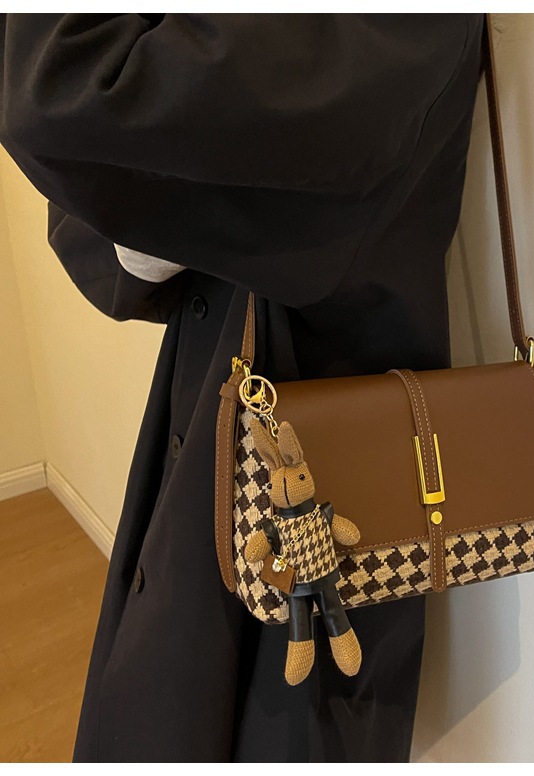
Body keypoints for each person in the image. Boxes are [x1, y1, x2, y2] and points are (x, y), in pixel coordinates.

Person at [0, 13, 484, 762]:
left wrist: (153, 207)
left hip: (326, 473)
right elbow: (106, 212)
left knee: (268, 719)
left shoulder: (396, 28)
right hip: (219, 416)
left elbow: (62, 93)